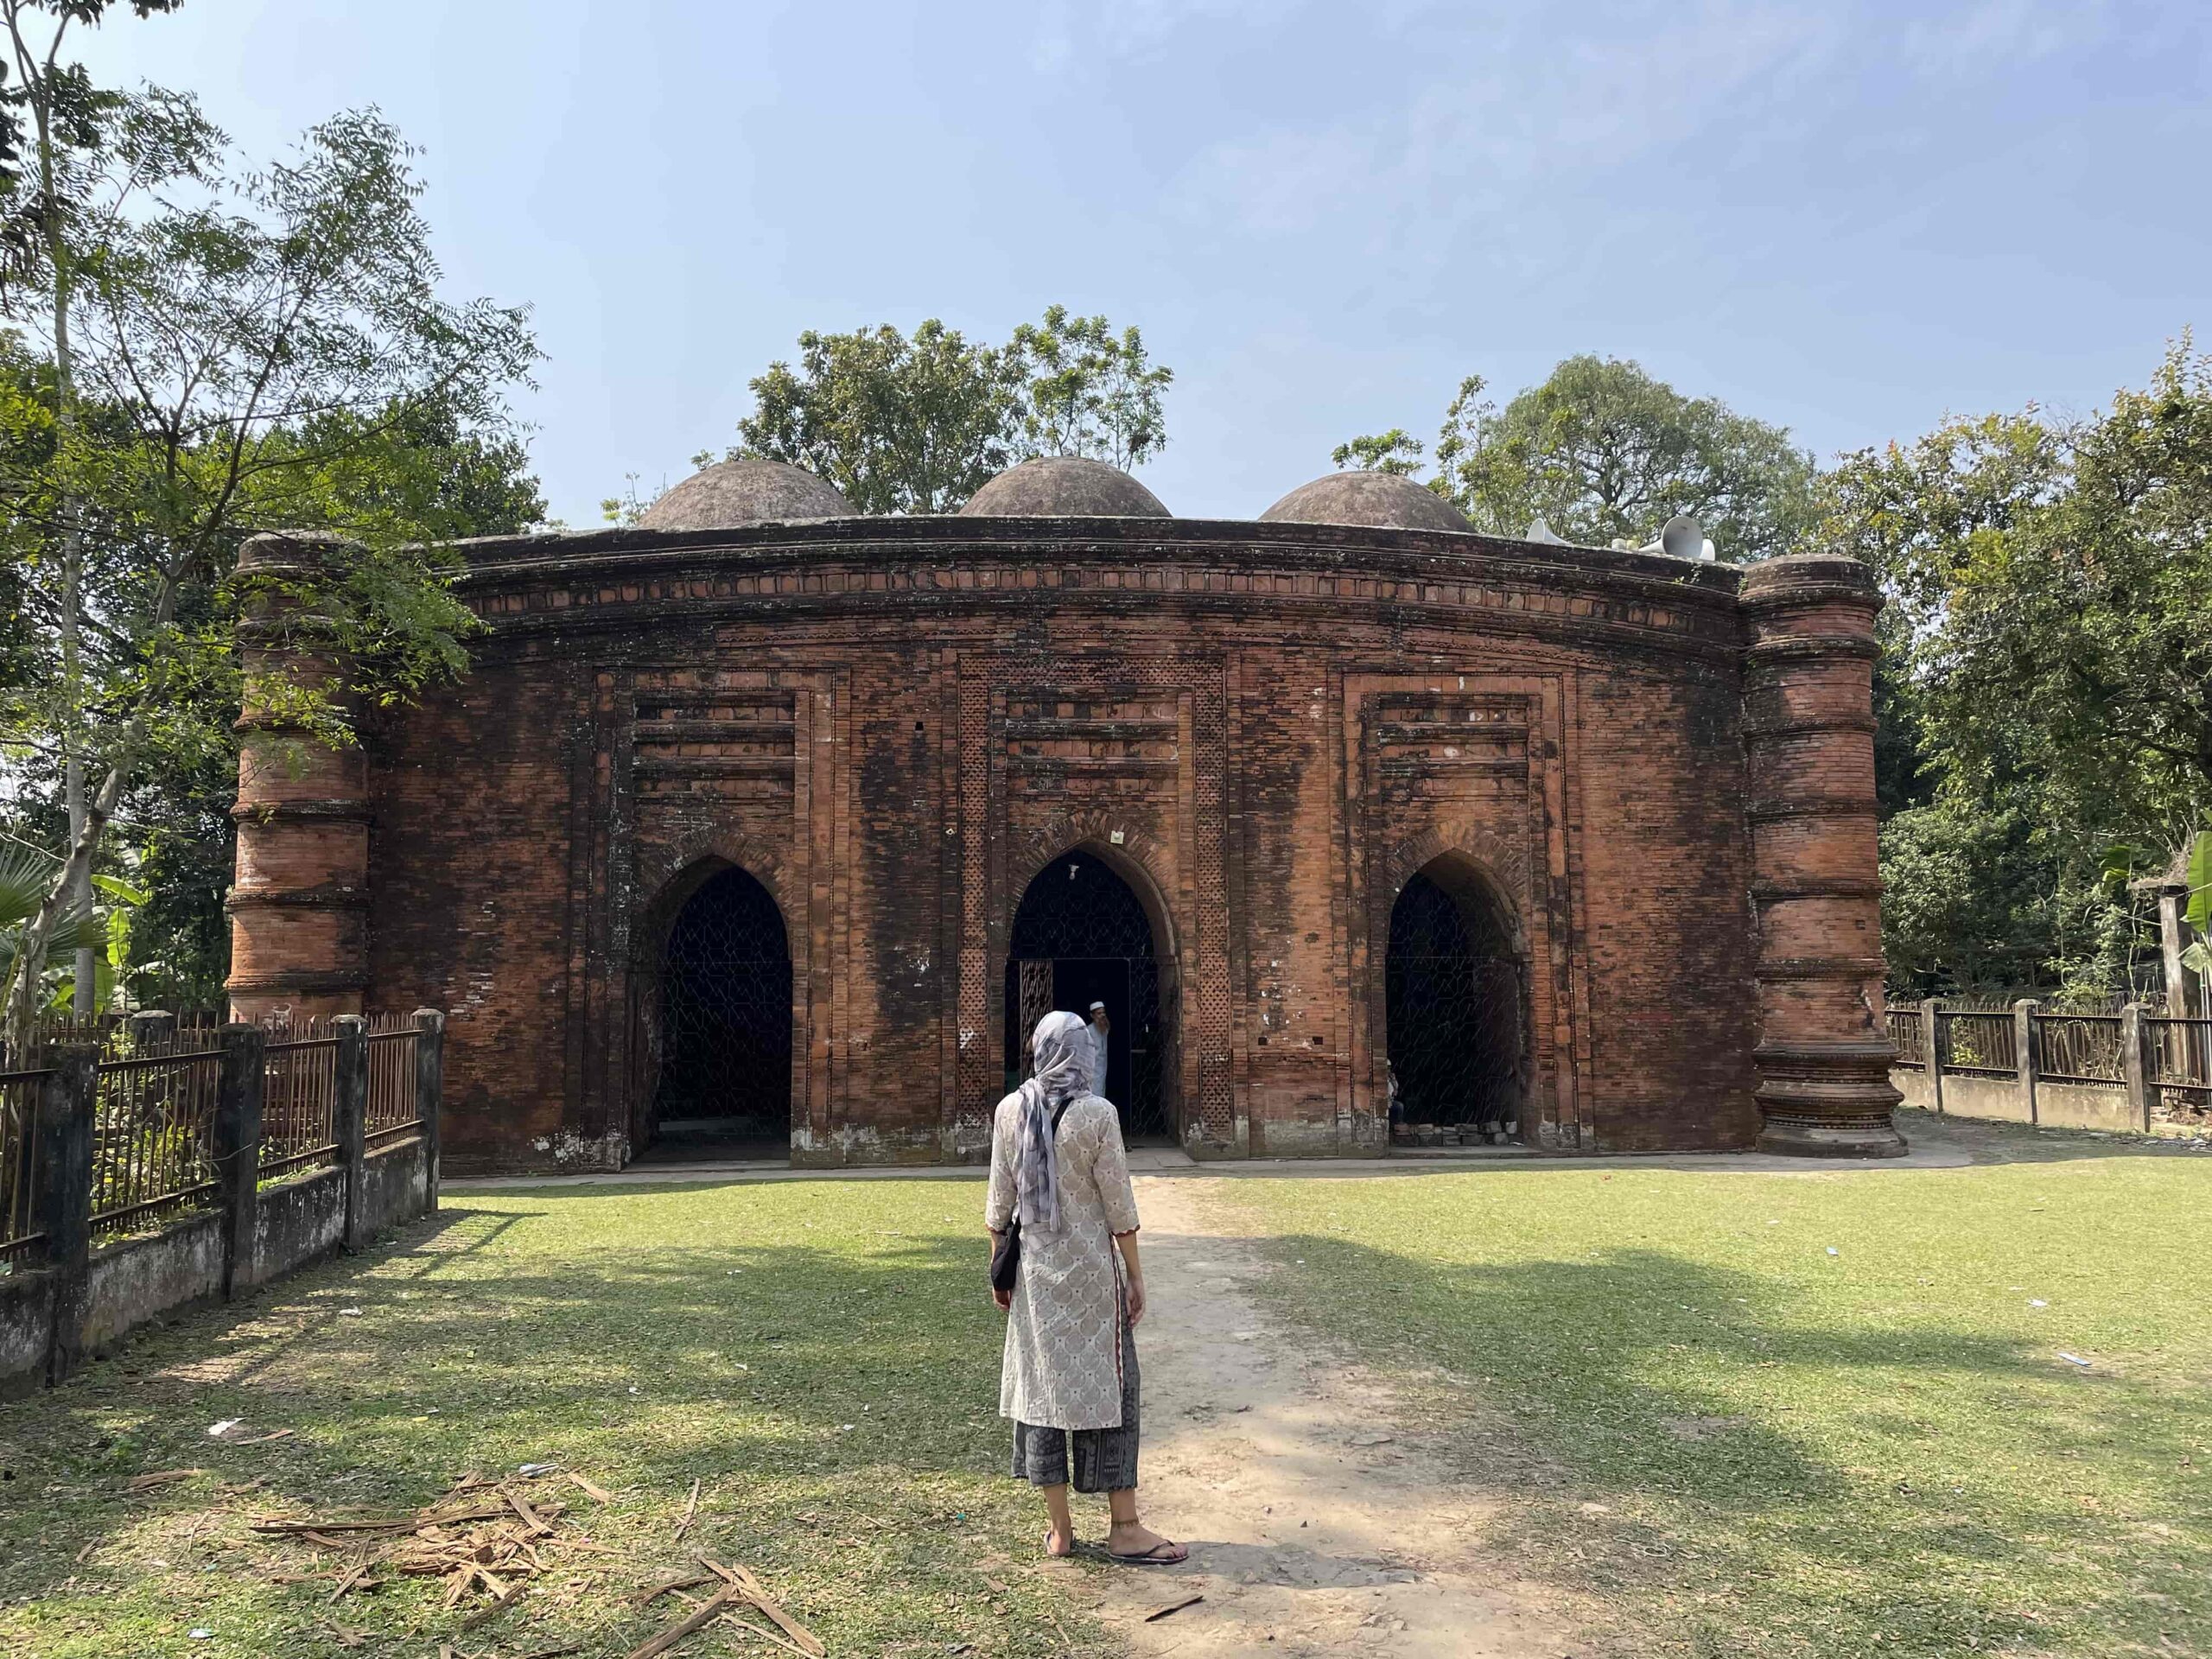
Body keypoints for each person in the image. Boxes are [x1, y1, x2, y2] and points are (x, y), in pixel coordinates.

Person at [986, 1009, 1185, 1565]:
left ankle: (1061, 1531)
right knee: (1113, 1393)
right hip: (1093, 1280)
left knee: (1044, 1392)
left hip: (1035, 1281)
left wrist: (999, 1274)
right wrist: (1136, 1276)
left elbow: (998, 1209)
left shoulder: (1010, 1111)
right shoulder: (1097, 1115)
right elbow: (1119, 1207)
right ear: (1083, 1053)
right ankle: (1124, 1526)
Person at [1084, 1001, 1111, 1100]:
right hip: (1092, 1069)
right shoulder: (1088, 1030)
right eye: (1099, 1013)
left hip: (1102, 1067)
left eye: (1103, 1013)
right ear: (1092, 1015)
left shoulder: (1105, 1029)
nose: (1102, 1016)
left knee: (1101, 1093)